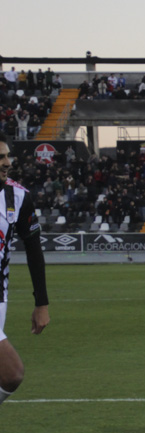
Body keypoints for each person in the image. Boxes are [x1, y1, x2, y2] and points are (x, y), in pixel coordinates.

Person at [0, 133, 50, 410]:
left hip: (0, 297)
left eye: (8, 156)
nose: (7, 162)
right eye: (1, 157)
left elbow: (34, 251)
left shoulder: (18, 197)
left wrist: (41, 303)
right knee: (12, 373)